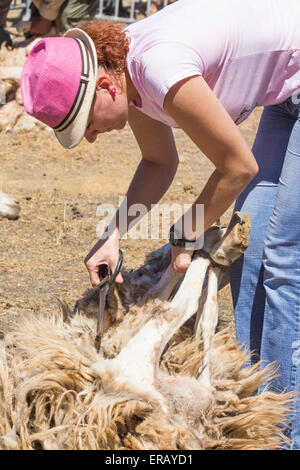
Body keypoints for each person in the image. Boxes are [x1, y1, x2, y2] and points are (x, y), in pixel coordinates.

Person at [20, 0, 300, 448]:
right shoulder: (132, 77)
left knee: (282, 259)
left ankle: (290, 436)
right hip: (286, 93)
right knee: (253, 253)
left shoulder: (156, 68)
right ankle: (268, 409)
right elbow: (158, 161)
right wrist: (111, 235)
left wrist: (184, 234)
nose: (90, 137)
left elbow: (236, 166)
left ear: (105, 86)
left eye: (85, 124)